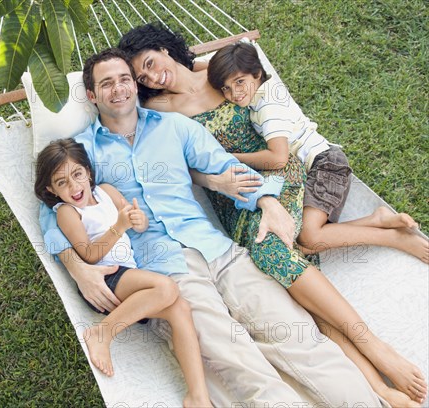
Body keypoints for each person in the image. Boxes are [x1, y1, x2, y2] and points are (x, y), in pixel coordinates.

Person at [39, 47, 384, 406]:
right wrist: (77, 267)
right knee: (241, 363)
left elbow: (223, 167)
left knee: (301, 339)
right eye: (106, 83)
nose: (119, 89)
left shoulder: (174, 126)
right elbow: (52, 209)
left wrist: (266, 201)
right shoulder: (79, 151)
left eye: (125, 79)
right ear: (92, 95)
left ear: (135, 86)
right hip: (165, 268)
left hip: (219, 250)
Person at [119, 23, 427, 406]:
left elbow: (268, 98)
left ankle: (377, 350)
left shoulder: (219, 70)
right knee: (287, 292)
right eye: (141, 75)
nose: (150, 76)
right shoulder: (154, 109)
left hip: (279, 174)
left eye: (149, 63)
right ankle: (377, 389)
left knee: (272, 254)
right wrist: (215, 182)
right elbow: (182, 168)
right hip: (234, 198)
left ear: (166, 49)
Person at [206, 41, 428, 264]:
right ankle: (376, 219)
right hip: (316, 168)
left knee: (309, 238)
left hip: (326, 165)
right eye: (225, 87)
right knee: (301, 244)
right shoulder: (262, 89)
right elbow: (221, 69)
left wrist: (231, 157)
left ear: (256, 73)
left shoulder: (267, 106)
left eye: (239, 82)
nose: (234, 93)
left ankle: (395, 238)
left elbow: (278, 158)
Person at [34, 138, 212, 407]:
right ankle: (103, 333)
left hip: (127, 274)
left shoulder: (106, 191)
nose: (74, 186)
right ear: (51, 189)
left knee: (181, 309)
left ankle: (197, 397)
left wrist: (138, 221)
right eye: (62, 183)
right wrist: (119, 226)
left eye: (77, 175)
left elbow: (134, 217)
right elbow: (89, 254)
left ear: (88, 172)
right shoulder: (67, 213)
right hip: (105, 279)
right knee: (167, 289)